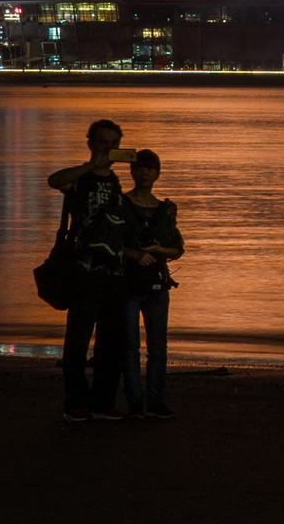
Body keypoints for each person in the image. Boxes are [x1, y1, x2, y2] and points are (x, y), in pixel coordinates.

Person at [47, 118, 131, 422]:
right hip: (83, 271)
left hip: (114, 273)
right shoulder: (79, 179)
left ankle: (102, 401)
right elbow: (54, 180)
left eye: (113, 143)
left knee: (112, 343)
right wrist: (90, 165)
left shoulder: (119, 184)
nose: (108, 148)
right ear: (90, 143)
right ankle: (77, 402)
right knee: (78, 341)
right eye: (102, 142)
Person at [119, 149, 184, 420]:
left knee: (158, 348)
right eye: (140, 168)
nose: (144, 173)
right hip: (128, 286)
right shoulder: (121, 205)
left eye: (150, 169)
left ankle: (155, 401)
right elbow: (111, 244)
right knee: (130, 346)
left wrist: (159, 249)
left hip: (157, 286)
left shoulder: (165, 209)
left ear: (157, 173)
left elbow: (178, 249)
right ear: (132, 171)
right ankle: (136, 403)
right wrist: (134, 254)